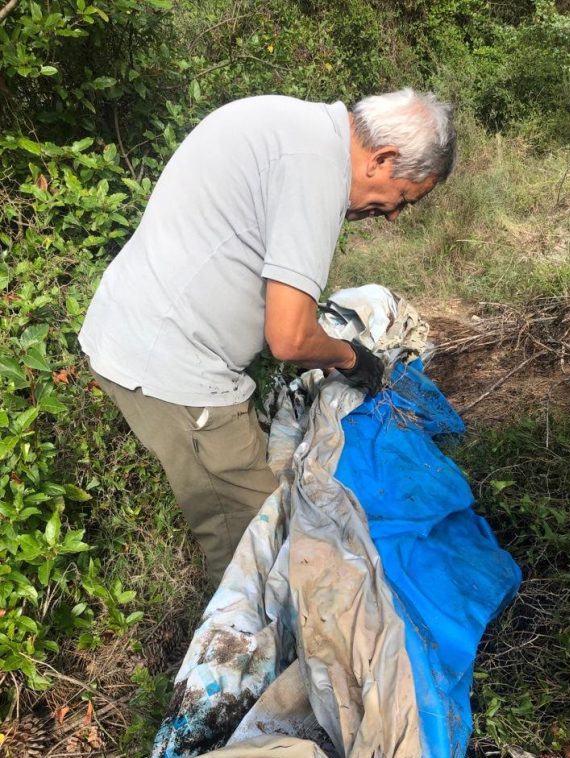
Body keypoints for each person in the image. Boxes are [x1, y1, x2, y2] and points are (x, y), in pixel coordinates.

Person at [79, 88, 456, 586]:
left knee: (263, 512)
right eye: (403, 197)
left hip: (143, 330)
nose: (391, 215)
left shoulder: (294, 125)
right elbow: (292, 337)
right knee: (258, 545)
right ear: (382, 159)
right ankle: (236, 654)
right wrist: (351, 358)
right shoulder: (317, 171)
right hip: (174, 368)